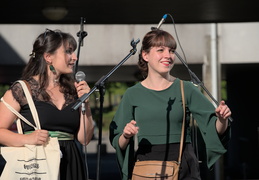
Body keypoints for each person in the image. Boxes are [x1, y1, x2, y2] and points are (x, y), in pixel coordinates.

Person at [109, 29, 231, 179]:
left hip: (183, 166)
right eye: (160, 50)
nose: (168, 55)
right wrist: (126, 135)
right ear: (145, 55)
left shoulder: (185, 88)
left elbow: (214, 129)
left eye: (172, 51)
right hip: (146, 168)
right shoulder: (132, 94)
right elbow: (117, 142)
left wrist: (222, 119)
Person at [0, 29, 94, 180]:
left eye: (74, 52)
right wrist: (27, 139)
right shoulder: (23, 89)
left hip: (72, 166)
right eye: (68, 52)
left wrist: (86, 104)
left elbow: (84, 139)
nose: (74, 57)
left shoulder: (73, 91)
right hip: (39, 166)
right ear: (48, 57)